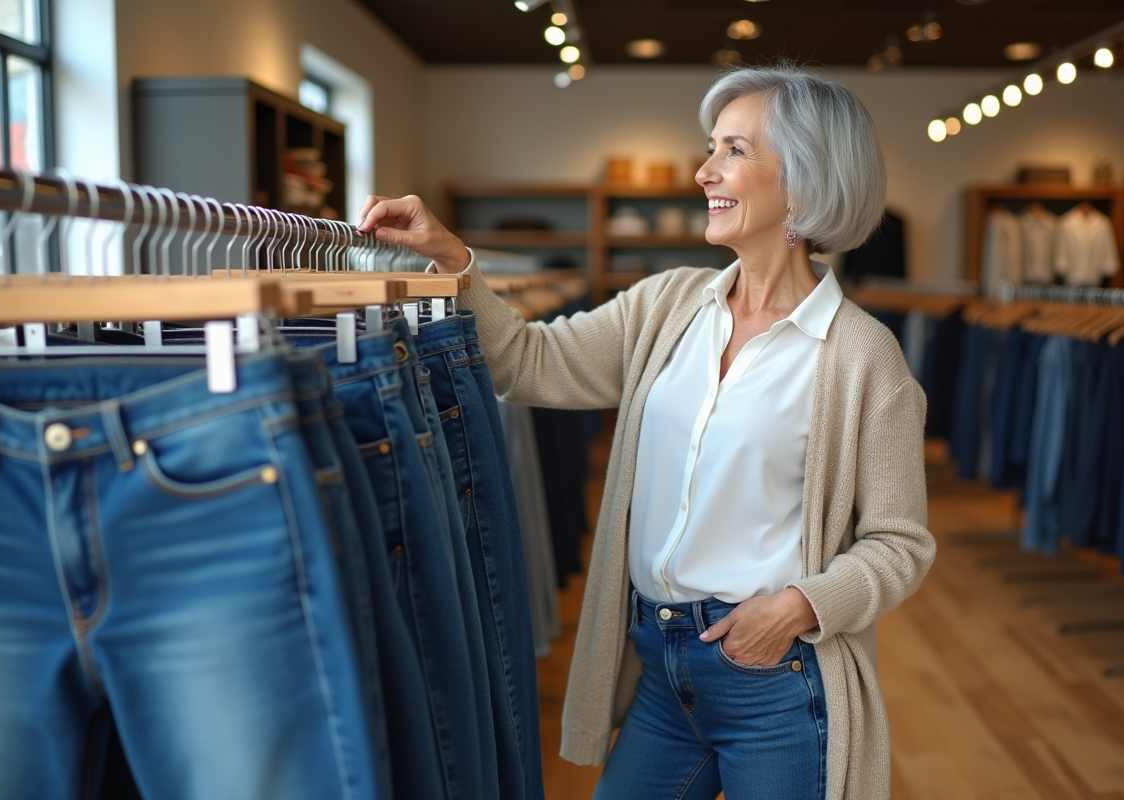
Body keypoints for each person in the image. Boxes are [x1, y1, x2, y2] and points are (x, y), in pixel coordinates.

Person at [358, 63, 935, 800]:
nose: (704, 171)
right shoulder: (666, 306)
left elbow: (901, 541)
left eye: (734, 149)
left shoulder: (861, 358)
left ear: (804, 179)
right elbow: (528, 364)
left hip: (775, 677)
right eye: (711, 147)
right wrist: (450, 258)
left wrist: (797, 608)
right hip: (659, 666)